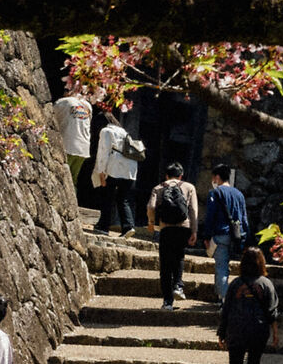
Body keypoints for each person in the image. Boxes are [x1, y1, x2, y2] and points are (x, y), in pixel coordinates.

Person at [217, 246, 282, 364]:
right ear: (261, 263)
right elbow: (272, 311)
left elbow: (226, 309)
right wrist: (275, 331)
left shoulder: (235, 284)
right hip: (258, 329)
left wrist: (222, 332)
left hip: (236, 327)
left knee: (235, 363)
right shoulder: (266, 284)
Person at [148, 160, 199, 307]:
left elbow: (151, 206)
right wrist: (194, 231)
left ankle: (167, 301)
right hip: (184, 227)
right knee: (179, 256)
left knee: (165, 263)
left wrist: (151, 223)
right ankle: (178, 286)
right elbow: (193, 210)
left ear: (166, 175)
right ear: (181, 176)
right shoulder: (189, 187)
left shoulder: (158, 187)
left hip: (166, 228)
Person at [205, 162, 251, 307]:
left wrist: (206, 236)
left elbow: (210, 217)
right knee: (229, 267)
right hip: (237, 236)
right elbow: (244, 218)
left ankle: (224, 299)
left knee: (221, 268)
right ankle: (225, 298)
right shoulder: (239, 194)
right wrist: (247, 238)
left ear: (217, 177)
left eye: (213, 177)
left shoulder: (215, 193)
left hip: (221, 234)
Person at [93, 116, 144, 233]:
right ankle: (128, 226)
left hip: (114, 168)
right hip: (130, 169)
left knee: (107, 197)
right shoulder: (124, 132)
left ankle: (103, 226)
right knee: (123, 198)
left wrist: (101, 171)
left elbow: (103, 152)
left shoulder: (106, 131)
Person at [51, 93, 93, 201]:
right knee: (73, 179)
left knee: (60, 177)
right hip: (83, 148)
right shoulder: (87, 106)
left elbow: (50, 117)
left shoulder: (63, 102)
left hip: (68, 145)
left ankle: (60, 203)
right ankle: (72, 204)